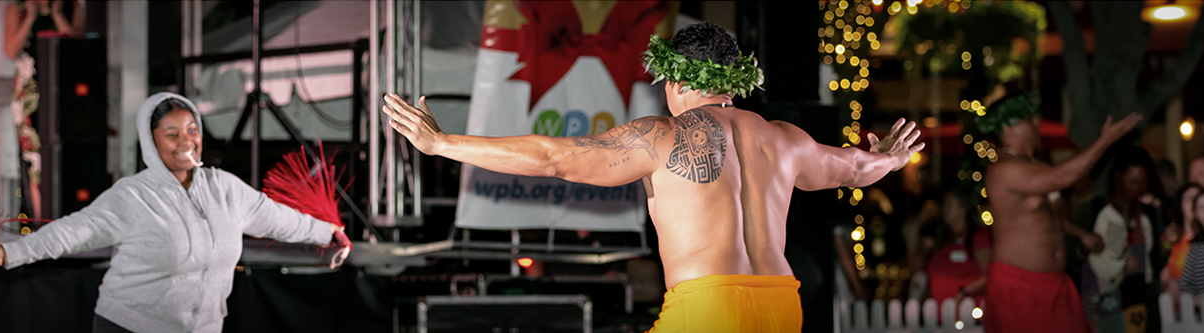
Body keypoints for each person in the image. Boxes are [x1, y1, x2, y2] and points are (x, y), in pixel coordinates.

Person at [380, 23, 926, 332]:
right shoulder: (785, 140)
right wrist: (892, 159)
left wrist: (443, 143)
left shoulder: (663, 135)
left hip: (708, 306)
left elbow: (553, 157)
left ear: (679, 81)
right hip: (782, 304)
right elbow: (853, 168)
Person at [0, 93, 349, 333]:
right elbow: (73, 231)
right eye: (172, 133)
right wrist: (9, 252)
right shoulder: (133, 196)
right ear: (151, 143)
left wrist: (326, 231)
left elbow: (276, 217)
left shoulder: (226, 188)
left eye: (192, 129)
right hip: (129, 327)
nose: (187, 141)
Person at [981, 91, 1142, 333]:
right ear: (1009, 127)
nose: (1037, 122)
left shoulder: (1035, 166)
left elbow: (1047, 217)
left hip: (1056, 284)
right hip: (1019, 285)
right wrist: (1105, 141)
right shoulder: (1003, 169)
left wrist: (1081, 234)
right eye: (1029, 118)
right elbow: (1064, 177)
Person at [1085, 152, 1165, 333]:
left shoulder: (1148, 213)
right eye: (1132, 182)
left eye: (1142, 182)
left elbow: (1157, 260)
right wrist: (1085, 247)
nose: (1137, 188)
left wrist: (1167, 243)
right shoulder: (1096, 211)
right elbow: (1077, 259)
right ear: (1118, 177)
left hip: (1144, 294)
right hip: (1109, 295)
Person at [925, 191, 993, 303]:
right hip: (940, 309)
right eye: (945, 205)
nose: (945, 209)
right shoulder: (942, 237)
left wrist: (964, 291)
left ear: (963, 208)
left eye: (949, 204)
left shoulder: (978, 236)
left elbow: (989, 274)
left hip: (968, 308)